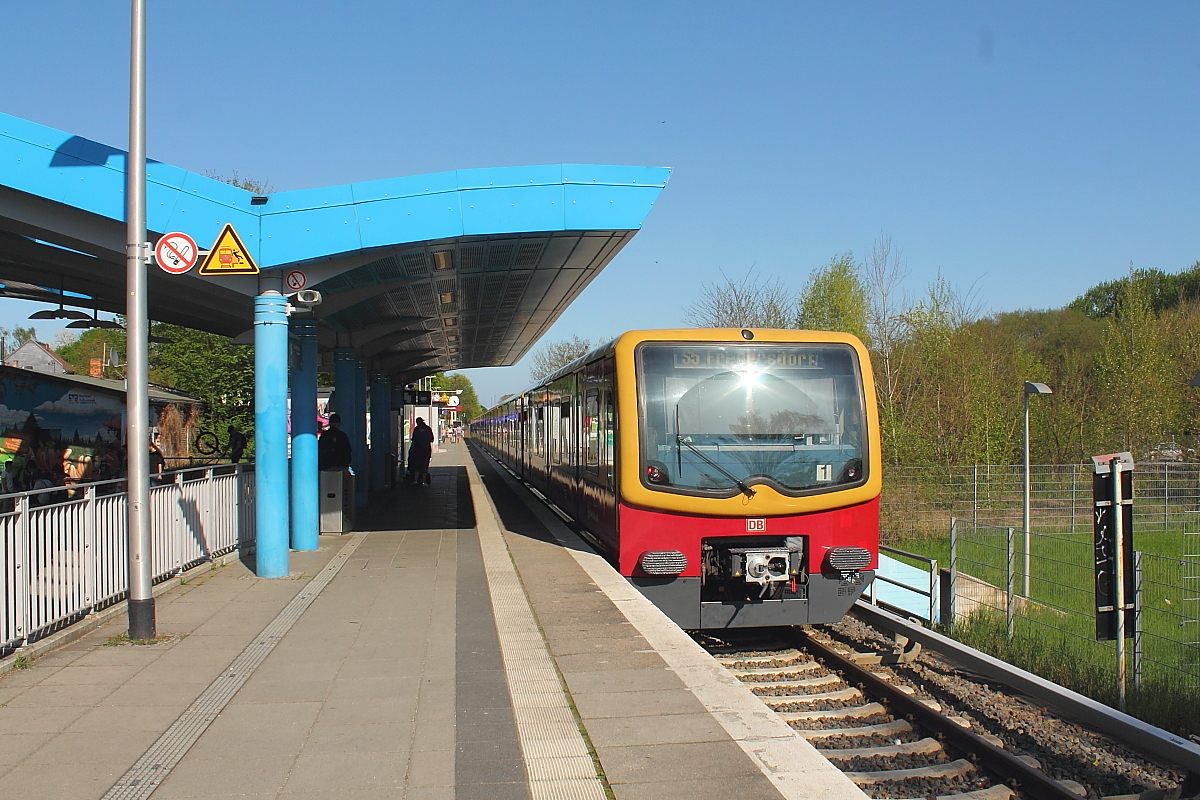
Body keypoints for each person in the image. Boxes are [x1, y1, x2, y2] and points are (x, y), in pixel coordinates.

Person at [407, 417, 434, 486]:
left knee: (416, 466)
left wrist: (411, 451)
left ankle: (415, 480)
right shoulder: (428, 429)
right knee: (425, 466)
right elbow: (431, 440)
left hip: (417, 450)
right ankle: (424, 482)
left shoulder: (416, 429)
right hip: (426, 449)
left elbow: (414, 441)